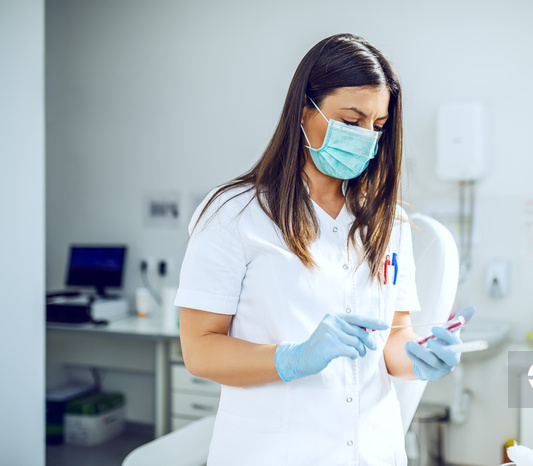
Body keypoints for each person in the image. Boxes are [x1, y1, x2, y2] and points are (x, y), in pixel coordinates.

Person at [175, 33, 464, 466]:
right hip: (272, 453)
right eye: (351, 120)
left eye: (378, 126)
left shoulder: (390, 222)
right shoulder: (234, 214)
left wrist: (421, 356)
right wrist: (292, 358)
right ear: (304, 111)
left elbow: (393, 337)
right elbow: (200, 349)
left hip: (374, 451)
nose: (367, 137)